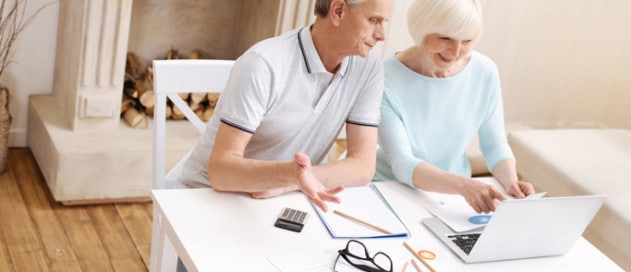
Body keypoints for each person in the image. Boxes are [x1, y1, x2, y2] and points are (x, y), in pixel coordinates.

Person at [177, 0, 393, 213]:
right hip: (205, 197)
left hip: (278, 200)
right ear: (338, 11)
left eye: (385, 22)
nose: (382, 35)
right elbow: (221, 172)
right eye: (374, 20)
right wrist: (290, 177)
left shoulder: (368, 67)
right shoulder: (262, 64)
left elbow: (363, 166)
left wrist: (293, 180)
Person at [373, 0, 534, 214]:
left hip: (453, 198)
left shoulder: (484, 72)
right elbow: (402, 163)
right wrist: (463, 186)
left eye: (466, 40)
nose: (456, 51)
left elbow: (494, 144)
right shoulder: (384, 79)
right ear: (422, 28)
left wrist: (511, 183)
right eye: (445, 38)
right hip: (391, 190)